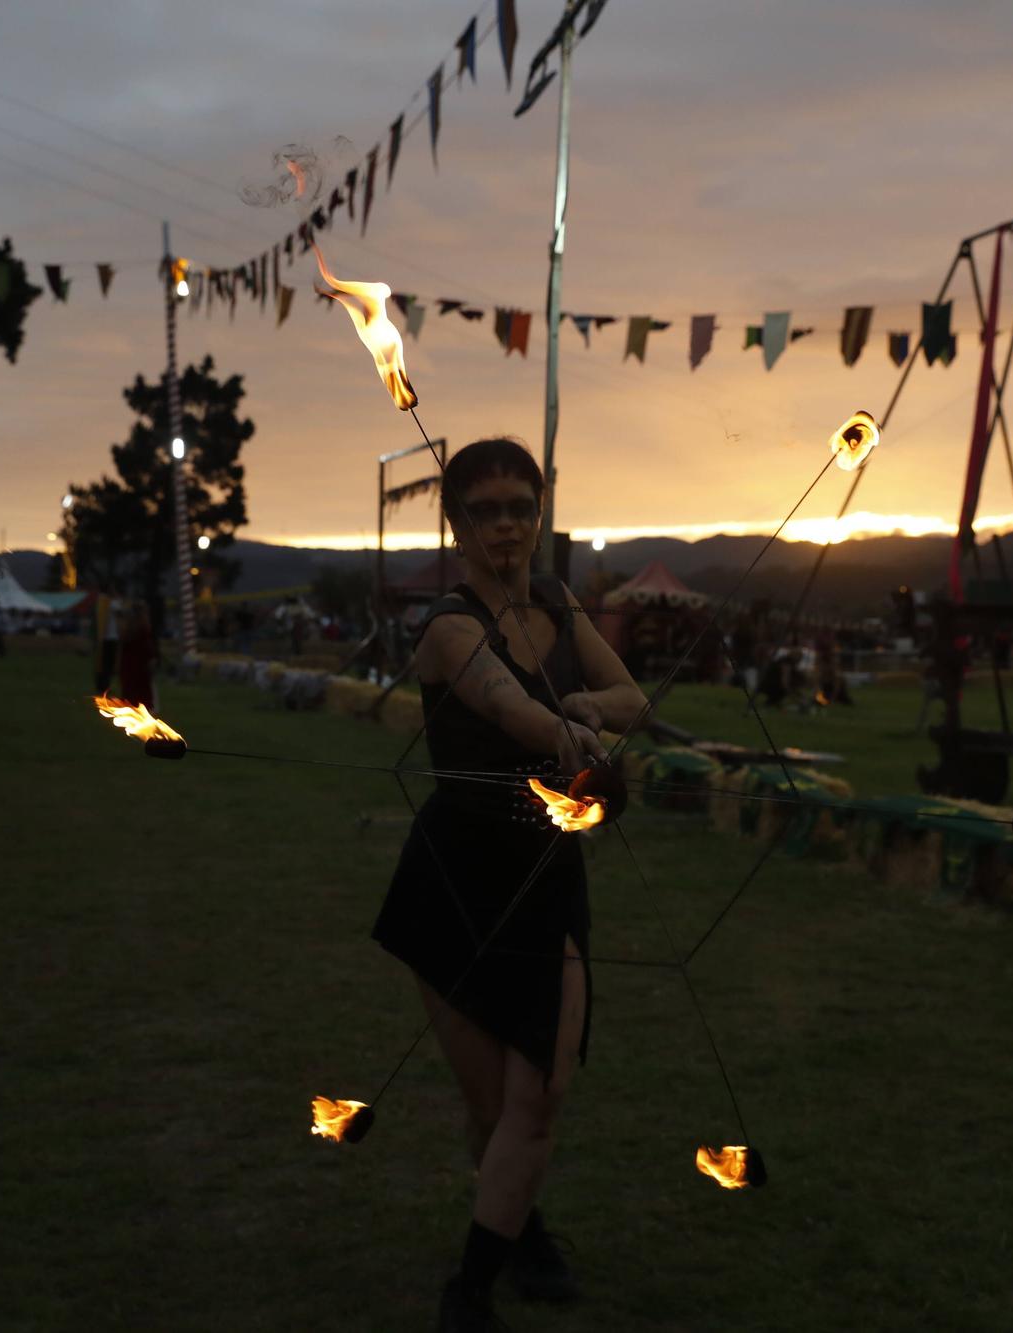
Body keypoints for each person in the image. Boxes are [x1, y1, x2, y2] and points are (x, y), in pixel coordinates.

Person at [370, 438, 648, 1332]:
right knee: (490, 1104)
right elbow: (508, 708)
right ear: (455, 523)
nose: (504, 524)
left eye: (519, 507)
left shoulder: (562, 606)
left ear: (540, 512)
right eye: (484, 509)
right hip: (454, 879)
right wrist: (568, 730)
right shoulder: (449, 627)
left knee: (545, 1088)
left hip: (545, 875)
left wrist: (586, 710)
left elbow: (631, 697)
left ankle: (470, 1288)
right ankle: (523, 1233)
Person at [113, 601, 158, 709]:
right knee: (141, 692)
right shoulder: (142, 626)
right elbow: (147, 646)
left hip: (129, 664)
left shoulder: (129, 627)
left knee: (131, 691)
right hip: (139, 664)